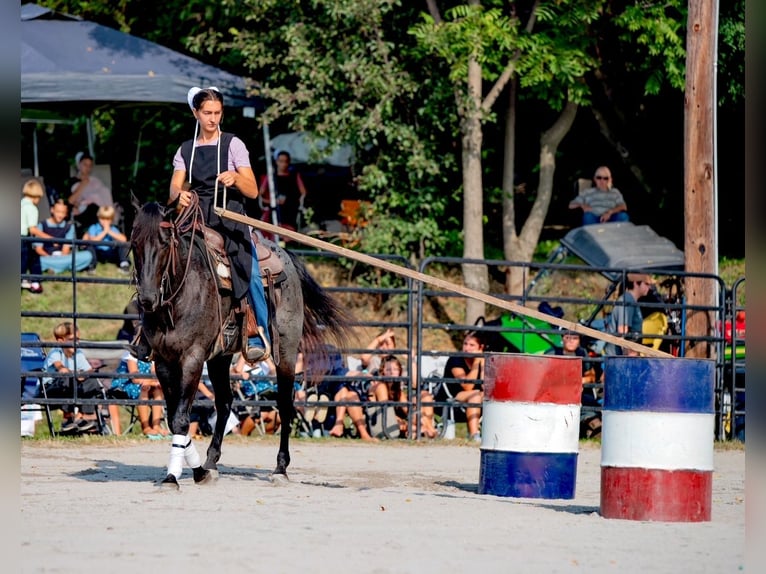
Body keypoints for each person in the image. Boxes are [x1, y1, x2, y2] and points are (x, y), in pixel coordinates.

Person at [168, 86, 269, 363]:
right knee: (163, 260)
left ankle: (256, 331)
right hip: (196, 219)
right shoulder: (185, 150)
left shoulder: (233, 144)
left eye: (217, 113)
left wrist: (235, 178)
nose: (213, 119)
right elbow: (174, 188)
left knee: (251, 272)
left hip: (229, 218)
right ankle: (154, 329)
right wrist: (180, 197)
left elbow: (252, 190)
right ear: (196, 113)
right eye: (207, 113)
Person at [41, 322, 104, 434]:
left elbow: (88, 370)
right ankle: (68, 418)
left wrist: (85, 375)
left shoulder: (78, 353)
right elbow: (61, 368)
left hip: (73, 386)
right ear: (61, 341)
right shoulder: (55, 352)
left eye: (78, 339)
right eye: (72, 339)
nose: (76, 343)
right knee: (67, 378)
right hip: (51, 389)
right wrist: (76, 374)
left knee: (91, 379)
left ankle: (85, 417)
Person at [545, 330, 603, 438]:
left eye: (575, 338)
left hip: (578, 394)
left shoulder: (582, 353)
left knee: (589, 405)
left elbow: (591, 376)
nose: (571, 341)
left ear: (579, 341)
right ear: (562, 338)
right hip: (557, 395)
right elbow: (545, 378)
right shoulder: (552, 353)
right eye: (568, 337)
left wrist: (579, 381)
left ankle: (593, 429)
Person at [368, 354, 438, 439]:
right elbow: (386, 412)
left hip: (394, 421)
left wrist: (421, 418)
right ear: (383, 372)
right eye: (388, 369)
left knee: (421, 402)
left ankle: (427, 429)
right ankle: (426, 431)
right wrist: (406, 422)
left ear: (400, 372)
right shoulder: (380, 386)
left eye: (395, 369)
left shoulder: (397, 390)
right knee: (411, 426)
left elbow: (408, 410)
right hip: (381, 422)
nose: (392, 372)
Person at [437, 331, 485, 442]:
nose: (467, 348)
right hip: (454, 396)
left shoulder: (484, 360)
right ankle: (474, 435)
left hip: (478, 395)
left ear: (480, 347)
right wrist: (476, 363)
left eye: (472, 345)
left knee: (486, 397)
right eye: (465, 344)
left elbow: (485, 386)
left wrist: (482, 364)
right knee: (476, 396)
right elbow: (467, 386)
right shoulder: (456, 360)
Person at [111, 352, 167, 438]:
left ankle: (156, 426)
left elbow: (153, 372)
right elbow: (134, 377)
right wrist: (147, 382)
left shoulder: (152, 354)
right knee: (144, 388)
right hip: (125, 384)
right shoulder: (131, 355)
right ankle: (145, 427)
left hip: (146, 382)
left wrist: (155, 382)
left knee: (158, 389)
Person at [34, 199, 94, 274]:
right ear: (52, 210)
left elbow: (66, 248)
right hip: (47, 257)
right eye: (58, 212)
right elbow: (38, 249)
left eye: (63, 213)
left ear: (66, 214)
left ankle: (55, 268)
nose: (60, 215)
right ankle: (62, 267)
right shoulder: (42, 225)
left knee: (87, 255)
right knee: (37, 260)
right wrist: (50, 257)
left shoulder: (68, 227)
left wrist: (61, 257)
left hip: (63, 257)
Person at [259, 150, 308, 234]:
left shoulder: (294, 175)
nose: (283, 164)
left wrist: (300, 201)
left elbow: (303, 192)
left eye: (286, 161)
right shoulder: (271, 176)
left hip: (291, 208)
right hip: (275, 208)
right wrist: (271, 202)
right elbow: (260, 194)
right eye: (281, 161)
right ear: (277, 162)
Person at [605, 273, 653, 355]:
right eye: (646, 284)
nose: (649, 287)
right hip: (619, 357)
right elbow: (622, 331)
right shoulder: (628, 300)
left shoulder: (630, 300)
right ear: (636, 283)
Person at [68, 151, 115, 232]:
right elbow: (70, 201)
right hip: (82, 211)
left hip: (99, 209)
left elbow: (104, 193)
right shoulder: (73, 181)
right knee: (93, 208)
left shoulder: (95, 181)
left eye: (90, 165)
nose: (87, 168)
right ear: (79, 165)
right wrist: (83, 184)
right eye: (85, 165)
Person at [82, 204, 131, 273]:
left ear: (111, 220)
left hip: (111, 253)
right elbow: (93, 240)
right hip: (97, 253)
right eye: (102, 218)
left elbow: (124, 239)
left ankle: (124, 264)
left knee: (122, 245)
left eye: (107, 219)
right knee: (89, 246)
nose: (105, 221)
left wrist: (110, 232)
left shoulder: (113, 228)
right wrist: (104, 232)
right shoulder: (94, 227)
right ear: (98, 218)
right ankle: (91, 265)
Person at [21, 178, 49, 294]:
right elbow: (32, 229)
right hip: (23, 238)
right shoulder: (31, 208)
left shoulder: (20, 204)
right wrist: (48, 238)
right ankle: (35, 283)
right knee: (31, 259)